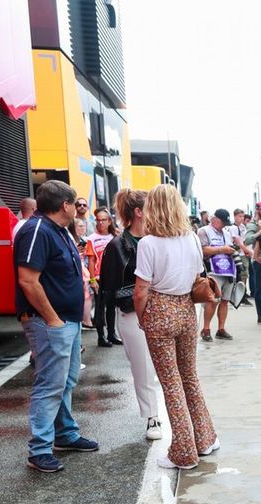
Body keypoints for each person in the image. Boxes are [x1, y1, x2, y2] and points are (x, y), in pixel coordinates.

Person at [15, 180, 100, 472]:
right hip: (49, 322)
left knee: (65, 381)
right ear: (64, 205)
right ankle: (39, 449)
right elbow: (27, 279)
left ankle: (65, 434)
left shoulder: (57, 230)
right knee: (50, 384)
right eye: (74, 203)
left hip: (66, 321)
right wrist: (52, 318)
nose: (78, 208)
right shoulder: (37, 230)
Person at [133, 184, 219, 470]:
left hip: (160, 310)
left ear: (152, 209)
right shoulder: (193, 238)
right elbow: (197, 275)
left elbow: (141, 290)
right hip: (186, 309)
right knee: (190, 376)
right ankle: (206, 439)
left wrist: (143, 318)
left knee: (170, 384)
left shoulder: (148, 243)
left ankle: (183, 452)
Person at [100, 188, 162, 441]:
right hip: (131, 313)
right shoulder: (117, 245)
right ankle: (152, 416)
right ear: (138, 212)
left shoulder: (159, 238)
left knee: (161, 367)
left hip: (160, 311)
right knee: (143, 367)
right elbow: (108, 287)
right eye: (150, 207)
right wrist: (139, 295)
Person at [197, 208, 241, 341]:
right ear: (215, 219)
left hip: (228, 271)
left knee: (225, 301)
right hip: (213, 271)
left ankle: (221, 329)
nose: (224, 226)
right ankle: (206, 329)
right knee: (213, 301)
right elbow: (202, 250)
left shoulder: (226, 233)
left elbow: (231, 249)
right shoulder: (204, 231)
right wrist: (222, 249)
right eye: (222, 222)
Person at [85, 207, 120, 347]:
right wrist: (92, 280)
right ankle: (101, 337)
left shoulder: (115, 237)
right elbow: (91, 261)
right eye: (98, 220)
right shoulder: (91, 239)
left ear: (110, 221)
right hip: (99, 279)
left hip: (113, 278)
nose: (100, 223)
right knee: (100, 308)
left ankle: (112, 334)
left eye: (103, 220)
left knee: (112, 307)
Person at [245, 202, 261, 322]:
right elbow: (247, 240)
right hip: (259, 260)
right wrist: (260, 231)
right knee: (259, 289)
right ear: (257, 210)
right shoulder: (252, 225)